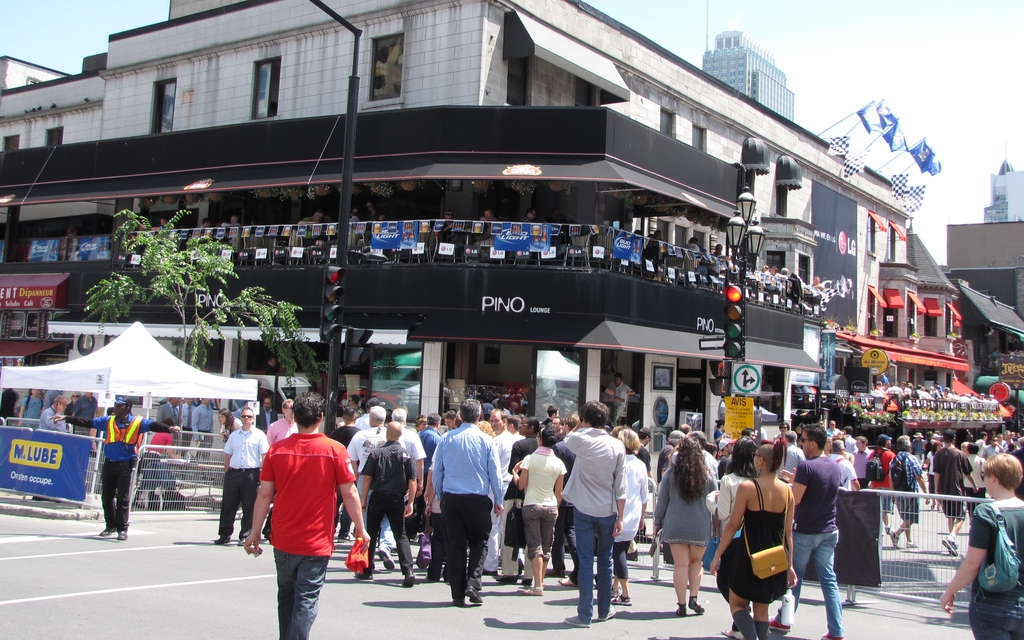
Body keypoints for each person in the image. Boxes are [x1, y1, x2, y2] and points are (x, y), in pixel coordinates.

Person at [244, 392, 366, 640]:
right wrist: (360, 528)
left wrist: (254, 531)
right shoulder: (334, 450)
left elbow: (264, 495)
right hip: (316, 540)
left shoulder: (277, 450)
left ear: (294, 417)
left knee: (286, 596)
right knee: (307, 600)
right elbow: (350, 493)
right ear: (321, 417)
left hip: (284, 536)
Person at [711, 440, 796, 640]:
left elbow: (733, 525)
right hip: (774, 556)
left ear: (760, 461)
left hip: (749, 555)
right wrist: (790, 565)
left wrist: (717, 554)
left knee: (737, 604)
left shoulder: (748, 487)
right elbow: (788, 532)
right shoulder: (787, 491)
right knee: (762, 611)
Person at [66, 396, 180, 540]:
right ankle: (110, 525)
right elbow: (88, 422)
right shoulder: (109, 420)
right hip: (109, 463)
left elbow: (153, 425)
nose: (115, 407)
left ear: (127, 407)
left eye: (119, 405)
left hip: (126, 464)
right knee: (107, 497)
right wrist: (66, 418)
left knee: (123, 498)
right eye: (115, 405)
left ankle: (122, 528)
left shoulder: (137, 422)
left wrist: (169, 428)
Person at [940, 453, 1024, 638]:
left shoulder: (986, 512)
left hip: (992, 601)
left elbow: (973, 563)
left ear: (995, 478)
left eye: (985, 475)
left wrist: (950, 591)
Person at [772, 425, 843, 640]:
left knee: (794, 577)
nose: (800, 443)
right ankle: (836, 630)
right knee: (829, 580)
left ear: (813, 443)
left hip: (806, 530)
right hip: (828, 529)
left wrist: (789, 485)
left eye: (803, 440)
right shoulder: (834, 466)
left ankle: (784, 618)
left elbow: (797, 499)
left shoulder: (806, 467)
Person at [431, 398, 504, 608]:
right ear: (479, 416)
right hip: (477, 498)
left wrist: (440, 494)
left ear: (460, 416)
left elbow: (438, 471)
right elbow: (495, 474)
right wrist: (498, 499)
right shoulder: (486, 441)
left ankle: (457, 593)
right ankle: (473, 582)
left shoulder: (447, 439)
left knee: (455, 545)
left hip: (452, 497)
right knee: (480, 542)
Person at [562, 400, 626, 628]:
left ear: (585, 418)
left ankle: (584, 614)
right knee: (606, 559)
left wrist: (581, 424)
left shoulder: (580, 439)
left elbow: (567, 438)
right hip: (608, 509)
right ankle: (604, 610)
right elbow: (621, 485)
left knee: (586, 560)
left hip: (583, 507)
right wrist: (620, 516)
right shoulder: (617, 446)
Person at [654, 437, 716, 618]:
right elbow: (714, 499)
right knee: (697, 562)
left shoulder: (671, 474)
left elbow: (662, 500)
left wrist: (657, 521)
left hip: (676, 524)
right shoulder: (708, 475)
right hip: (700, 524)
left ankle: (681, 604)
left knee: (680, 565)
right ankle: (694, 598)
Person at [710, 436, 760, 639]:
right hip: (756, 537)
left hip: (733, 537)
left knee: (726, 582)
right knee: (746, 581)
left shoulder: (729, 480)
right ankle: (739, 625)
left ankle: (742, 619)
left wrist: (710, 502)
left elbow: (723, 515)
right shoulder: (757, 480)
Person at [358, 421, 418, 587]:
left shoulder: (377, 454)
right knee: (401, 534)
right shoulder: (406, 454)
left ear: (387, 434)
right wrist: (411, 501)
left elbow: (367, 477)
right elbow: (413, 480)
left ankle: (367, 569)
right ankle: (408, 571)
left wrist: (363, 499)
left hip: (378, 496)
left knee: (371, 532)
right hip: (397, 498)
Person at [511, 425, 566, 596]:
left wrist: (514, 472)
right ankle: (539, 583)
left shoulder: (530, 459)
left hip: (532, 504)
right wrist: (555, 507)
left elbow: (521, 484)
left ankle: (537, 587)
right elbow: (559, 492)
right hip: (550, 505)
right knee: (547, 545)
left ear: (540, 440)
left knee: (535, 545)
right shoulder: (559, 463)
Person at [215, 407, 269, 545]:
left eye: (249, 417)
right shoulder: (234, 435)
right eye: (244, 416)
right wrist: (226, 472)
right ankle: (224, 534)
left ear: (253, 419)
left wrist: (264, 474)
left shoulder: (259, 435)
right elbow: (228, 454)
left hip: (250, 473)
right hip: (233, 473)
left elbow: (264, 455)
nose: (246, 419)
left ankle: (245, 534)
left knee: (249, 506)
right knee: (228, 505)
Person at [611, 428, 649, 606]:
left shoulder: (617, 462)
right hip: (633, 513)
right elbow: (644, 495)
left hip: (619, 513)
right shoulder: (640, 464)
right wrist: (642, 517)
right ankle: (615, 585)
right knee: (622, 550)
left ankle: (625, 593)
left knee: (618, 552)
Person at [502, 416, 539, 587]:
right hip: (536, 494)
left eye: (523, 425)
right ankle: (530, 574)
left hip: (516, 492)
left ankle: (510, 571)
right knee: (533, 536)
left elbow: (512, 468)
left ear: (531, 428)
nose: (521, 427)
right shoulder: (543, 448)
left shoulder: (519, 445)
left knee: (510, 531)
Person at [934, 428, 976, 557]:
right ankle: (952, 536)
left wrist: (936, 492)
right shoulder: (960, 454)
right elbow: (968, 472)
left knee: (951, 516)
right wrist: (974, 486)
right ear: (954, 439)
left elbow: (937, 474)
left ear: (943, 439)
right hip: (957, 490)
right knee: (961, 517)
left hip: (944, 490)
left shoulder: (938, 454)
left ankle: (952, 540)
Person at [890, 435, 927, 549]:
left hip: (899, 492)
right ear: (908, 446)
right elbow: (919, 477)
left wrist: (893, 494)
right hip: (911, 492)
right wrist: (926, 493)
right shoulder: (911, 458)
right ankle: (896, 534)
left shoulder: (894, 459)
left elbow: (890, 478)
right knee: (911, 518)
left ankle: (909, 540)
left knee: (906, 517)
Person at [869, 434, 897, 538]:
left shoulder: (873, 454)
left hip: (875, 484)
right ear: (886, 442)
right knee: (885, 509)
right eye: (889, 441)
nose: (890, 442)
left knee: (878, 508)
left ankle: (882, 527)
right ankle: (887, 527)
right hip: (886, 484)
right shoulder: (891, 455)